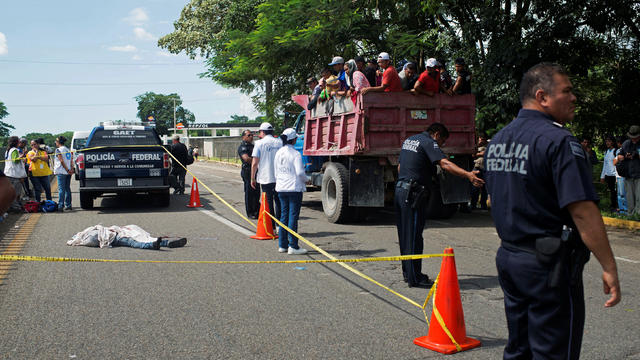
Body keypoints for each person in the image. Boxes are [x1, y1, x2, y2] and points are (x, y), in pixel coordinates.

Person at [484, 62, 620, 359]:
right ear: (542, 96)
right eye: (567, 91)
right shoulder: (559, 141)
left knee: (519, 348)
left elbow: (494, 199)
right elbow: (583, 211)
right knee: (553, 352)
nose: (573, 98)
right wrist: (609, 266)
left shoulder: (499, 140)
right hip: (548, 266)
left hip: (510, 258)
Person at [396, 123, 483, 288]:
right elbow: (445, 164)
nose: (442, 145)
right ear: (436, 134)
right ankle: (416, 278)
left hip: (401, 190)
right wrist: (468, 175)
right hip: (413, 193)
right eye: (443, 141)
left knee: (405, 235)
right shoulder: (429, 142)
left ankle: (408, 274)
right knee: (414, 236)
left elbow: (400, 166)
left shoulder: (410, 140)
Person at [274, 128, 310, 255]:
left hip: (281, 187)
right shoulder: (295, 154)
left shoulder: (278, 153)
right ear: (294, 139)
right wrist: (307, 180)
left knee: (283, 216)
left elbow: (276, 171)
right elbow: (300, 172)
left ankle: (282, 245)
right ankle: (293, 245)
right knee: (293, 217)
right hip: (293, 188)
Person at [251, 122, 283, 229]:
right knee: (278, 201)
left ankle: (271, 225)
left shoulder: (259, 143)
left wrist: (252, 178)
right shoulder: (279, 142)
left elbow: (254, 163)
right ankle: (279, 225)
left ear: (262, 132)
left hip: (265, 177)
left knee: (268, 202)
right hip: (278, 177)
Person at [67, 224, 187, 249]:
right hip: (115, 238)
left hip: (116, 232)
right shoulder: (85, 238)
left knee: (138, 236)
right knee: (133, 242)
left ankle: (166, 243)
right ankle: (154, 244)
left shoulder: (85, 233)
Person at [617, 125, 640, 215]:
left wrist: (636, 154)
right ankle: (630, 214)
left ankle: (638, 215)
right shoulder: (626, 143)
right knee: (629, 197)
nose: (634, 139)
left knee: (639, 197)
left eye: (636, 138)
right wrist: (622, 157)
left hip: (639, 175)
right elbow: (619, 155)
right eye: (632, 138)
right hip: (628, 174)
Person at [238, 129, 260, 219]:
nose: (251, 136)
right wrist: (257, 161)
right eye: (249, 135)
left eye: (252, 135)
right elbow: (246, 158)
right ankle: (250, 212)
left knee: (257, 192)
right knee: (249, 193)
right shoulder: (243, 147)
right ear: (243, 137)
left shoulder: (253, 146)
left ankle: (256, 210)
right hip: (247, 171)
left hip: (255, 171)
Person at [3, 136, 27, 212]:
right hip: (14, 175)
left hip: (8, 173)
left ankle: (10, 207)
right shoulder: (14, 150)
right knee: (15, 193)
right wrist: (23, 155)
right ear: (16, 142)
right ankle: (16, 208)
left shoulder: (8, 150)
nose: (20, 143)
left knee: (10, 193)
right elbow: (15, 161)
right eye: (19, 141)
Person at [54, 136, 74, 211]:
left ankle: (60, 205)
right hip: (68, 172)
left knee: (61, 189)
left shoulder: (58, 150)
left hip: (61, 172)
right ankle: (68, 205)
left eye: (56, 141)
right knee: (67, 189)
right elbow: (71, 160)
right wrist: (71, 169)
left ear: (58, 142)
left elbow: (61, 161)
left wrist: (67, 170)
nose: (55, 143)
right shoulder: (67, 149)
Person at [470, 133, 489, 210]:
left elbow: (486, 153)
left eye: (483, 139)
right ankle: (473, 204)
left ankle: (483, 204)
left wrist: (478, 154)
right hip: (476, 167)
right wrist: (478, 151)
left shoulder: (488, 145)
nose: (481, 141)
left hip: (485, 168)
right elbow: (472, 154)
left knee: (485, 188)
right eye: (480, 139)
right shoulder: (475, 146)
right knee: (475, 187)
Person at [600, 135, 618, 211]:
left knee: (616, 192)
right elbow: (605, 164)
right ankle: (612, 206)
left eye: (609, 141)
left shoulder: (616, 151)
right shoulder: (606, 152)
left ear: (613, 142)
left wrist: (617, 176)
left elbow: (617, 165)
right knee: (611, 191)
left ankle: (617, 206)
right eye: (606, 141)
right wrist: (602, 176)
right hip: (608, 175)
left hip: (615, 175)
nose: (607, 143)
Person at [613, 136, 628, 213]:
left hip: (622, 175)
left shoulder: (625, 150)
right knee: (619, 194)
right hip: (617, 175)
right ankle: (621, 209)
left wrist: (618, 159)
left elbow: (616, 161)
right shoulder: (618, 151)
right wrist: (618, 158)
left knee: (623, 194)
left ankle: (625, 210)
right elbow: (614, 162)